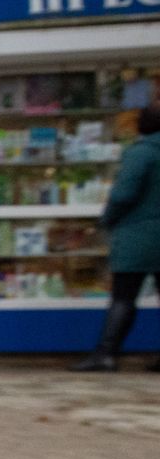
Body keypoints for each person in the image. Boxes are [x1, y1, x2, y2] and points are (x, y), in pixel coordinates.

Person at [73, 104, 160, 372]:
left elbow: (123, 195)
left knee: (124, 296)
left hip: (140, 235)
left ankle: (106, 353)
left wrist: (107, 219)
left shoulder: (142, 153)